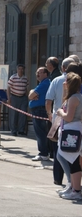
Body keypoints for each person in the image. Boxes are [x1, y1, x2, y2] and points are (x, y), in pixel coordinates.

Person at [46, 58, 74, 186]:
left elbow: (49, 100)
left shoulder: (57, 80)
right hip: (69, 120)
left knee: (60, 151)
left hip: (62, 120)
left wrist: (51, 115)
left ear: (63, 68)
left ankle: (62, 179)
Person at [55, 72, 82, 200]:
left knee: (74, 162)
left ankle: (76, 190)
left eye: (66, 81)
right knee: (72, 160)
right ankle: (73, 188)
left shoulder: (74, 99)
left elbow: (69, 117)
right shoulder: (77, 97)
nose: (64, 83)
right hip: (75, 130)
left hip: (72, 131)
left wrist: (60, 113)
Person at [28, 67, 51, 161]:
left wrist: (32, 93)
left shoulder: (45, 83)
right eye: (37, 72)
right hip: (37, 110)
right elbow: (31, 93)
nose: (37, 75)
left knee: (40, 132)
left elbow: (31, 95)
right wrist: (32, 92)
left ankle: (43, 153)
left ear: (46, 74)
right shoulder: (41, 83)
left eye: (40, 73)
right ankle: (44, 152)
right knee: (40, 132)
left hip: (40, 110)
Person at [6, 64, 29, 136]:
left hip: (23, 98)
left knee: (22, 114)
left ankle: (21, 130)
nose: (21, 70)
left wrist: (27, 97)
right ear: (17, 70)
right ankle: (13, 130)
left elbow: (26, 88)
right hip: (14, 97)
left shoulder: (25, 78)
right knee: (14, 114)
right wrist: (9, 98)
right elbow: (8, 88)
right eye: (19, 69)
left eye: (22, 69)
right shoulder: (13, 77)